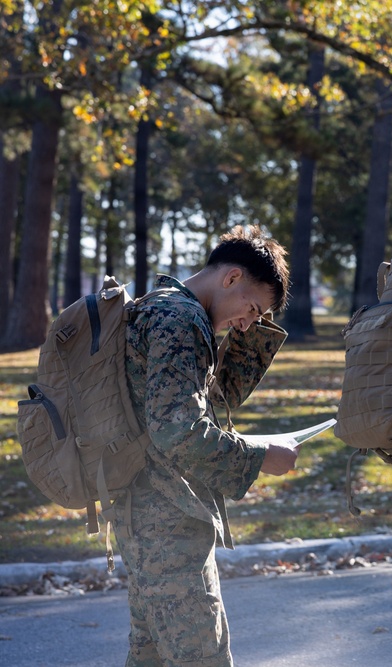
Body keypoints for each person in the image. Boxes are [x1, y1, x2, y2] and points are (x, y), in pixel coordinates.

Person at [114, 225, 299, 666]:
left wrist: (250, 332)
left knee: (151, 657)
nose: (248, 322)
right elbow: (177, 430)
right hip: (167, 519)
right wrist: (259, 459)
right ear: (231, 278)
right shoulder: (181, 320)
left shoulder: (161, 306)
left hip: (146, 514)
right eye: (252, 309)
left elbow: (212, 404)